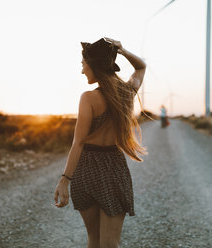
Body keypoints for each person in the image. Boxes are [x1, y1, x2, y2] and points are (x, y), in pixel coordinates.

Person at [54, 37, 147, 248]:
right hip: (114, 167)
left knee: (94, 240)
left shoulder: (88, 98)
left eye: (83, 65)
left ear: (93, 65)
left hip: (86, 169)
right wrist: (123, 51)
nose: (82, 71)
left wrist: (64, 181)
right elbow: (141, 67)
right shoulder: (126, 93)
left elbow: (78, 143)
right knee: (110, 244)